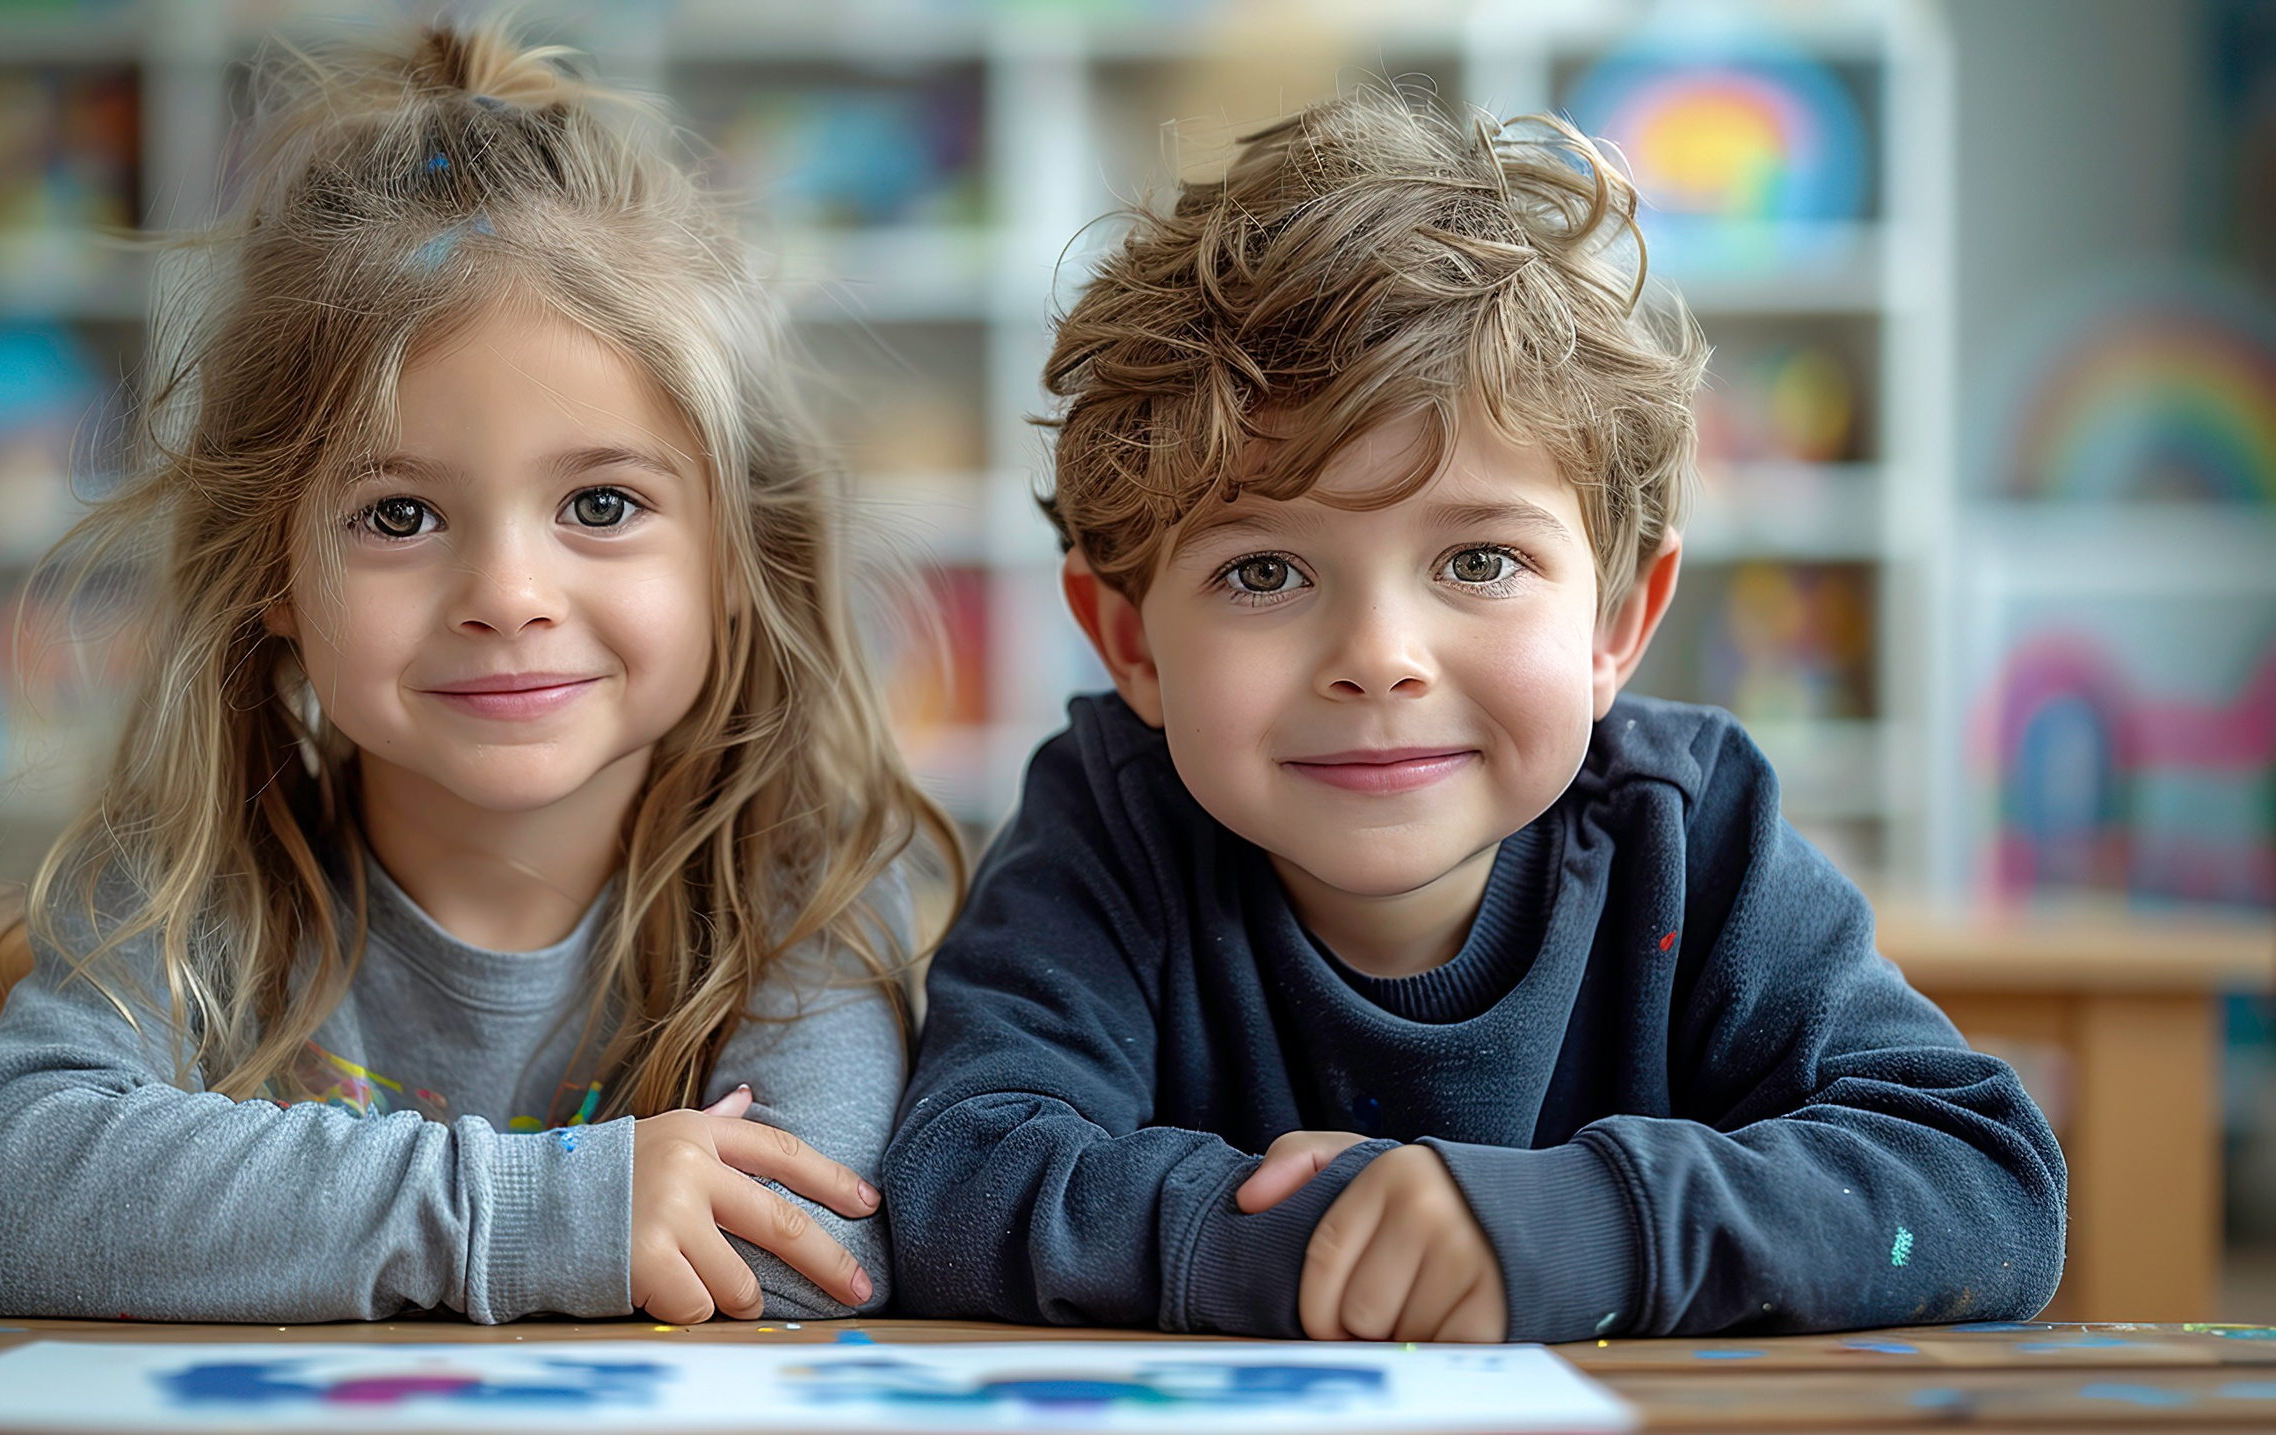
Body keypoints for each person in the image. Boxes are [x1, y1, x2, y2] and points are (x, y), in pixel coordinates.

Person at [883, 93, 2066, 1343]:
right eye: (1264, 572)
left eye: (1479, 562)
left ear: (1616, 620)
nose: (1380, 660)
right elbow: (962, 1183)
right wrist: (1324, 1236)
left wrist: (1575, 1223)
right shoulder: (1109, 830)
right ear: (1132, 642)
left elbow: (1984, 1184)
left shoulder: (1693, 832)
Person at [0, 21, 957, 1326]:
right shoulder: (184, 893)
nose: (508, 597)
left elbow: (806, 1245)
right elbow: (18, 1193)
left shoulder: (804, 900)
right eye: (401, 517)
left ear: (733, 556)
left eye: (600, 502)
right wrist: (552, 1212)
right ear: (274, 577)